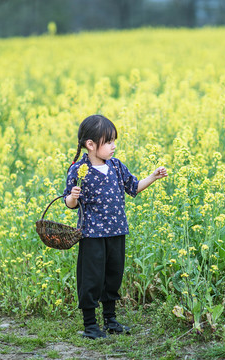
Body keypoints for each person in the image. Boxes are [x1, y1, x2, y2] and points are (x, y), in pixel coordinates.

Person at [63, 114, 167, 339]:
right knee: (91, 278)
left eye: (113, 141)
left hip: (117, 231)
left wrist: (153, 176)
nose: (113, 146)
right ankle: (90, 325)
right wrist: (73, 196)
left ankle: (110, 320)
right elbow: (69, 203)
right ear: (90, 145)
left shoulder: (116, 166)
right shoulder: (79, 169)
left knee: (113, 275)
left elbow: (133, 187)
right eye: (108, 141)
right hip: (91, 234)